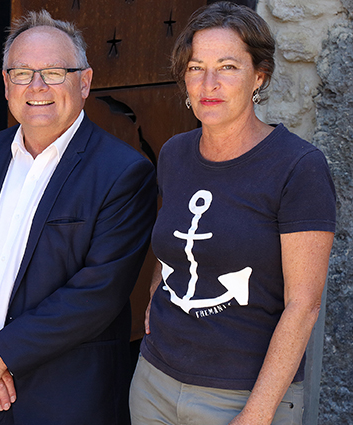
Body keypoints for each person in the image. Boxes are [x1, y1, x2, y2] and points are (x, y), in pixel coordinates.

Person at [0, 10, 157, 425]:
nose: (36, 87)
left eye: (52, 72)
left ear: (84, 82)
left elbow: (96, 294)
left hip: (61, 402)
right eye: (22, 73)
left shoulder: (124, 172)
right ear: (5, 83)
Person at [130, 3, 336, 425]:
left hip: (241, 397)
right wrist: (157, 293)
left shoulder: (299, 168)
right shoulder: (174, 154)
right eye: (195, 67)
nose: (209, 83)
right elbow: (174, 242)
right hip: (153, 384)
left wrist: (256, 414)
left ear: (259, 76)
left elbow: (304, 307)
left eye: (227, 67)